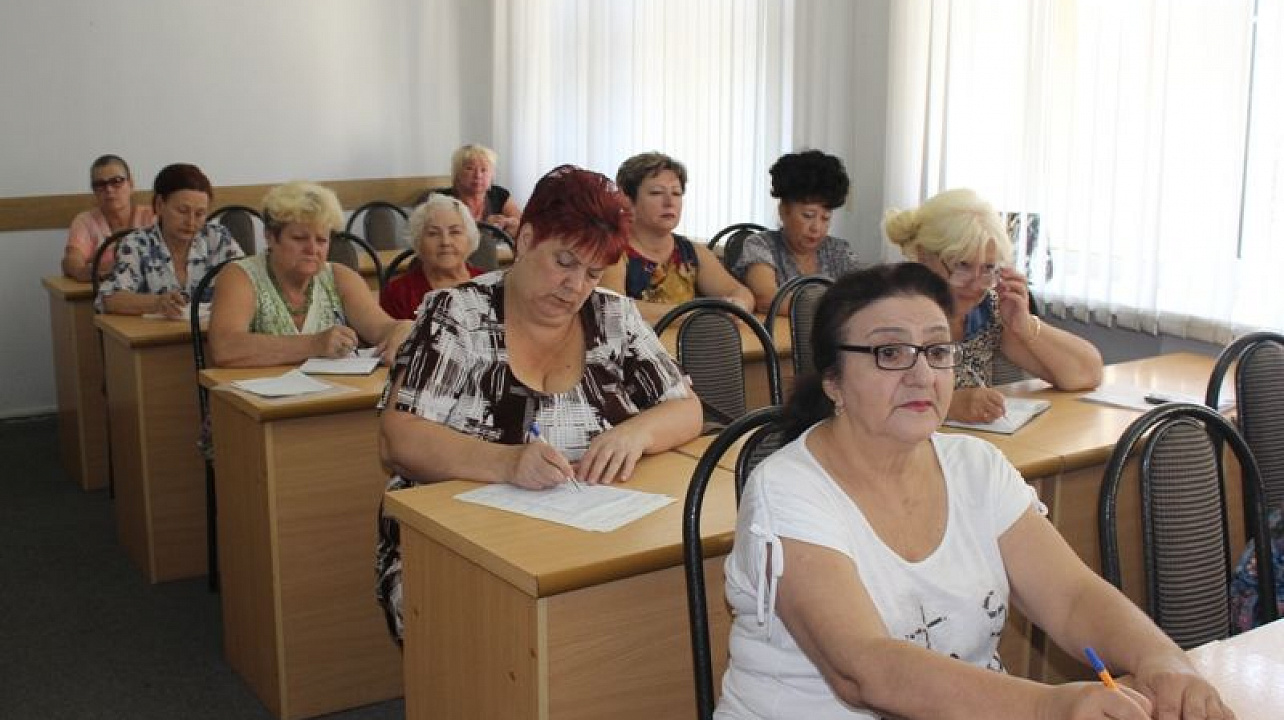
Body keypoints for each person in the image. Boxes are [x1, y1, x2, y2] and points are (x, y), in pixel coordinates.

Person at [715, 263, 1233, 720]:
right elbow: (863, 668)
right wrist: (1049, 706)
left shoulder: (975, 465)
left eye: (937, 350)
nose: (922, 375)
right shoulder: (786, 489)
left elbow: (1073, 598)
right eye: (890, 352)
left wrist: (1163, 663)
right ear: (833, 381)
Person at [375, 165, 703, 642]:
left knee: (647, 613)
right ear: (526, 239)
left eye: (592, 273)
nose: (576, 287)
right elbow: (397, 439)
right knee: (518, 632)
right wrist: (508, 463)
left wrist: (637, 431)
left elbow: (686, 408)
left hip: (583, 543)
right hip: (456, 547)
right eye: (564, 262)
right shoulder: (457, 313)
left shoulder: (612, 315)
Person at [885, 188, 1103, 424]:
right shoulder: (886, 311)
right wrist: (949, 406)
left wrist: (1026, 326)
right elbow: (854, 402)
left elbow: (1086, 375)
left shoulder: (988, 310)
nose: (976, 284)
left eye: (988, 269)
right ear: (923, 255)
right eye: (962, 265)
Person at [207, 181, 412, 367]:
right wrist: (314, 344)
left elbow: (380, 328)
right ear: (270, 237)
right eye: (299, 238)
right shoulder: (240, 276)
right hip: (257, 404)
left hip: (332, 398)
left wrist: (400, 329)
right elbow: (225, 348)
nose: (312, 249)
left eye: (322, 240)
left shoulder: (340, 277)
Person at [601, 152, 754, 323]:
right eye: (656, 193)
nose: (669, 202)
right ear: (626, 200)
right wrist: (696, 313)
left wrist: (738, 305)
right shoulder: (612, 251)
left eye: (676, 193)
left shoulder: (692, 252)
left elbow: (741, 292)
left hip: (690, 348)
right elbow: (614, 310)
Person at [96, 163, 244, 317]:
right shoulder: (136, 244)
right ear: (160, 205)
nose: (191, 222)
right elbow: (111, 298)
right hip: (155, 338)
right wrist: (157, 302)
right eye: (182, 211)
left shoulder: (217, 238)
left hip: (211, 335)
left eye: (200, 214)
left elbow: (251, 282)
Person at [731, 149, 860, 314]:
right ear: (784, 211)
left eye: (825, 218)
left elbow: (862, 297)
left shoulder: (839, 251)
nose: (817, 228)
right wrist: (837, 305)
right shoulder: (761, 245)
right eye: (808, 215)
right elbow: (766, 299)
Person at [378, 194, 485, 320]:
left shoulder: (490, 286)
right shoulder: (398, 294)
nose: (445, 242)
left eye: (455, 232)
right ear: (418, 242)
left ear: (469, 239)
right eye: (433, 233)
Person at [62, 154, 155, 282]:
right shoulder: (85, 221)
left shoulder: (152, 216)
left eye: (116, 181)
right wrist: (82, 271)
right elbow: (71, 260)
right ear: (94, 191)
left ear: (131, 184)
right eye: (100, 184)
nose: (109, 189)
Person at [418, 143, 522, 235]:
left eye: (484, 170)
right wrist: (485, 228)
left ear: (492, 175)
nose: (478, 175)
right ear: (457, 173)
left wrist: (510, 224)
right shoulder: (440, 200)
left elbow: (523, 224)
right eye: (470, 168)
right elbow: (435, 235)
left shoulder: (499, 195)